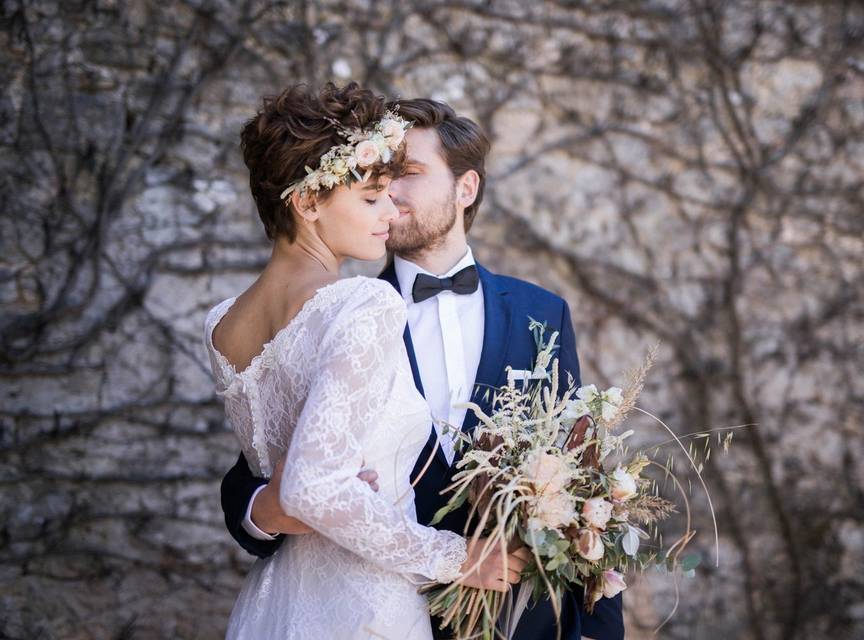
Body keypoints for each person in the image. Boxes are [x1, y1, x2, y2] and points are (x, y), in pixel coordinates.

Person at [220, 96, 625, 640]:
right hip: (371, 609)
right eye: (378, 179)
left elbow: (584, 482)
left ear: (466, 188)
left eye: (406, 173)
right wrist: (261, 510)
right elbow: (266, 460)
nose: (389, 193)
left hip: (514, 616)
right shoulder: (340, 307)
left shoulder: (542, 314)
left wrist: (598, 631)